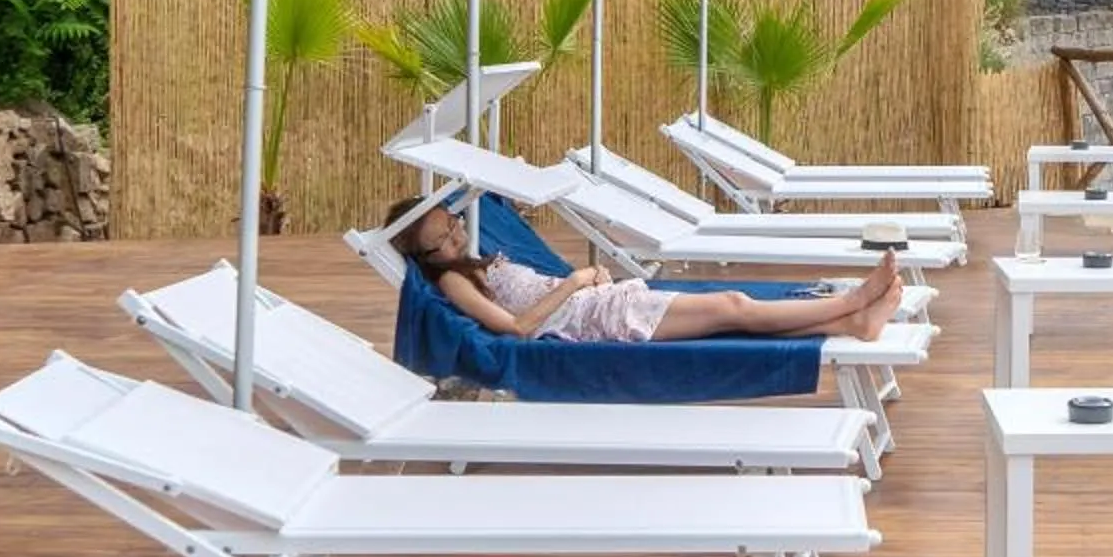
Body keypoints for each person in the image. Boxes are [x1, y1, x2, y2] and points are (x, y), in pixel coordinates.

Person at [386, 201, 901, 343]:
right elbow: (518, 330)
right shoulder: (452, 280)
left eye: (453, 222)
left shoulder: (468, 262)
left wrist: (589, 283)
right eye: (444, 238)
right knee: (733, 307)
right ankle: (853, 301)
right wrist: (575, 282)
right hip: (593, 320)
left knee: (732, 314)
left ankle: (852, 323)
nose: (458, 234)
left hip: (596, 303)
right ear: (425, 256)